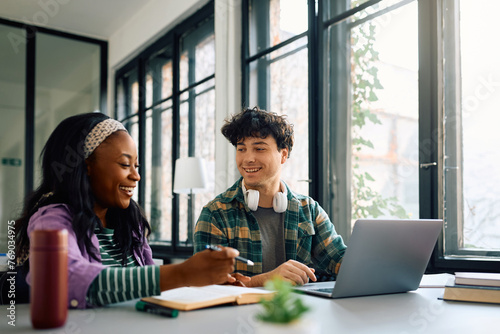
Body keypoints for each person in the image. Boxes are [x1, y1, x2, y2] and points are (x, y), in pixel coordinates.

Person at [15, 112, 240, 309]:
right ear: (86, 166)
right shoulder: (52, 218)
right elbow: (61, 280)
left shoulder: (130, 222)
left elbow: (152, 285)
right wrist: (182, 273)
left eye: (136, 166)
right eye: (125, 165)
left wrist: (204, 279)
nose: (136, 176)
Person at [194, 107, 347, 287]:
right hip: (237, 314)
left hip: (297, 312)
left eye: (259, 148)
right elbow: (203, 283)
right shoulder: (215, 214)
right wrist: (267, 279)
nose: (248, 158)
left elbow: (340, 261)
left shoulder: (309, 210)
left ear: (283, 155)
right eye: (241, 149)